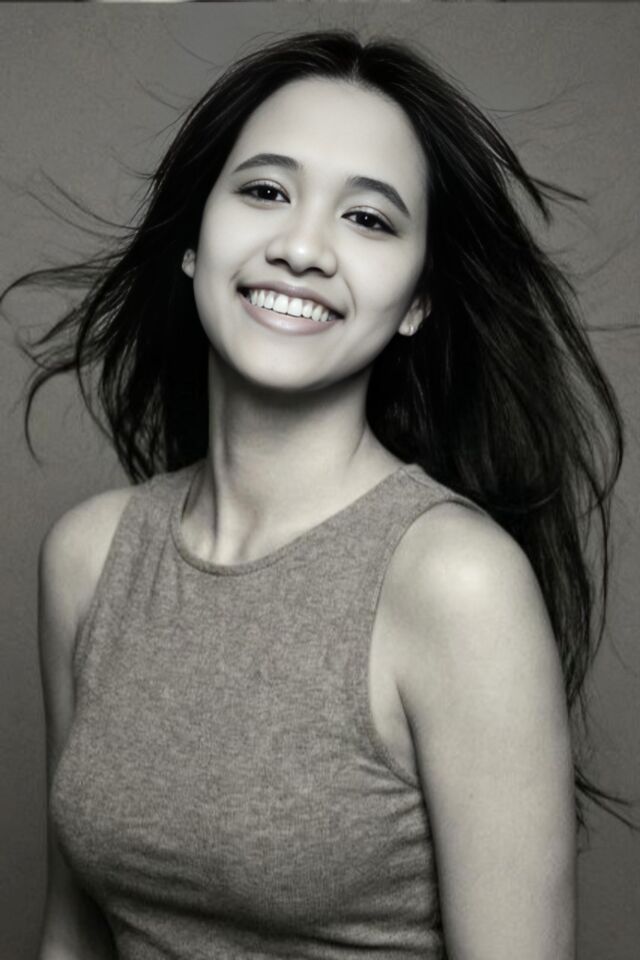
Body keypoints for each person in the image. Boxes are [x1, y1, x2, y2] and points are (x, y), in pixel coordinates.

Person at [10, 29, 627, 960]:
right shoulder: (90, 558)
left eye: (368, 219)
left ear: (417, 301)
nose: (302, 247)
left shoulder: (455, 582)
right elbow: (72, 936)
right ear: (193, 240)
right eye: (265, 191)